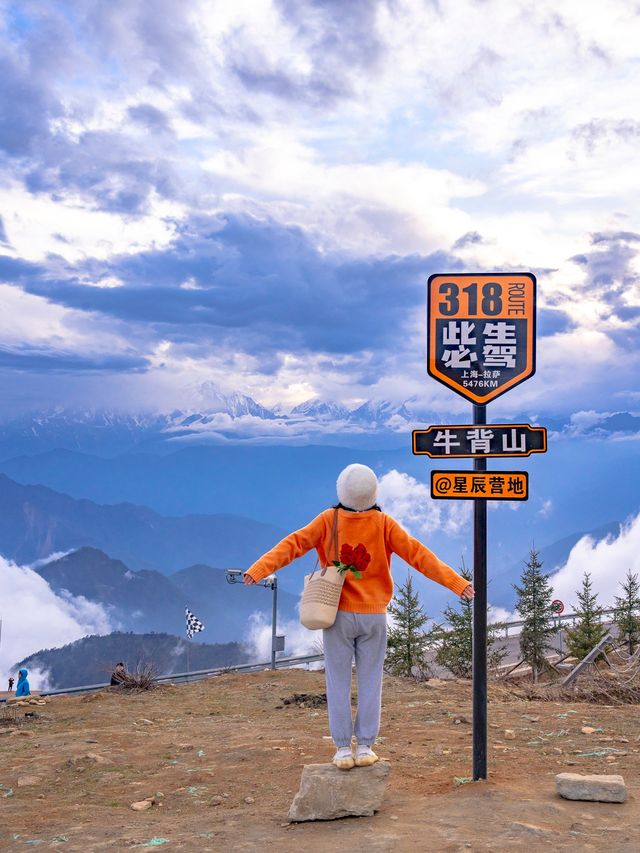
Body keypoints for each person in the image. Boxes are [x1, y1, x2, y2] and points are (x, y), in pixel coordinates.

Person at [244, 463, 474, 770]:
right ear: (374, 492)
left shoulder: (329, 519)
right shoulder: (384, 524)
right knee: (371, 681)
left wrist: (259, 569)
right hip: (374, 617)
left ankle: (342, 750)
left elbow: (293, 544)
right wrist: (456, 583)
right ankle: (365, 747)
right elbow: (420, 556)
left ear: (341, 490)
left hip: (335, 614)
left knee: (337, 682)